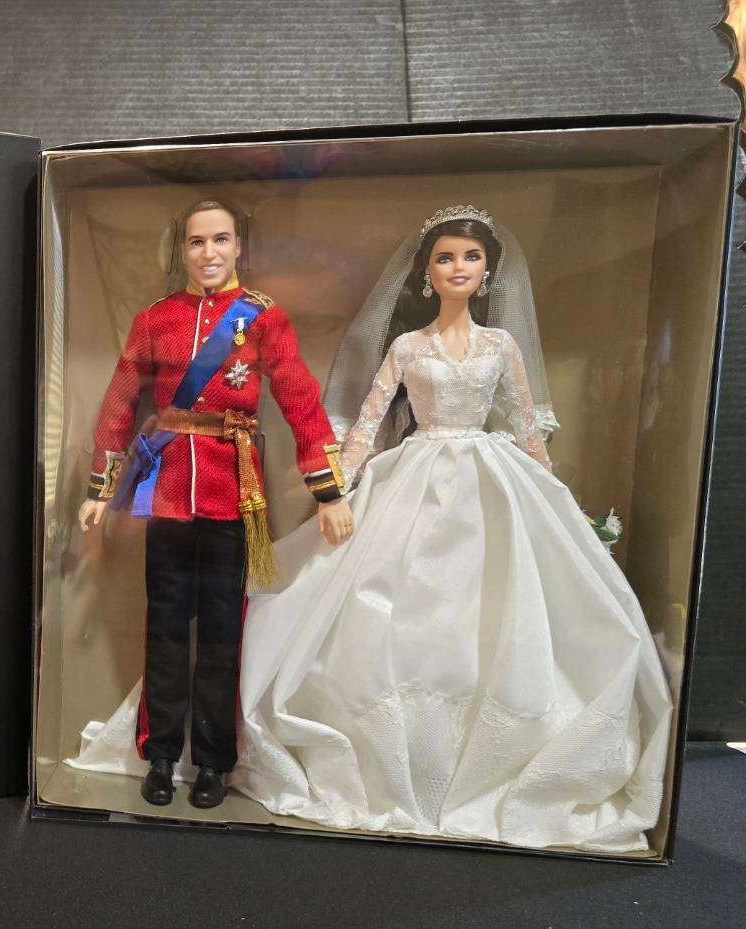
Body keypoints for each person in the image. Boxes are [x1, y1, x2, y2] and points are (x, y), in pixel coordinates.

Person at [230, 206, 673, 852]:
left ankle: (489, 758)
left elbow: (525, 427)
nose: (457, 267)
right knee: (396, 607)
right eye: (445, 258)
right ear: (426, 273)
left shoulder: (501, 346)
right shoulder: (408, 347)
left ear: (488, 270)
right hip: (416, 471)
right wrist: (335, 491)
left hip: (489, 475)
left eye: (469, 257)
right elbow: (367, 424)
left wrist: (559, 500)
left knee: (488, 607)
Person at [74, 199, 350, 809]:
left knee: (224, 636)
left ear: (238, 246)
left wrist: (327, 491)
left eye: (221, 239)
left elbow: (301, 400)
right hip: (167, 493)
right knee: (166, 629)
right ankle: (160, 753)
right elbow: (120, 401)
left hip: (233, 492)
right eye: (197, 242)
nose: (209, 253)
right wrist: (101, 487)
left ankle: (213, 761)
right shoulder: (157, 319)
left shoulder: (263, 318)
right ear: (182, 249)